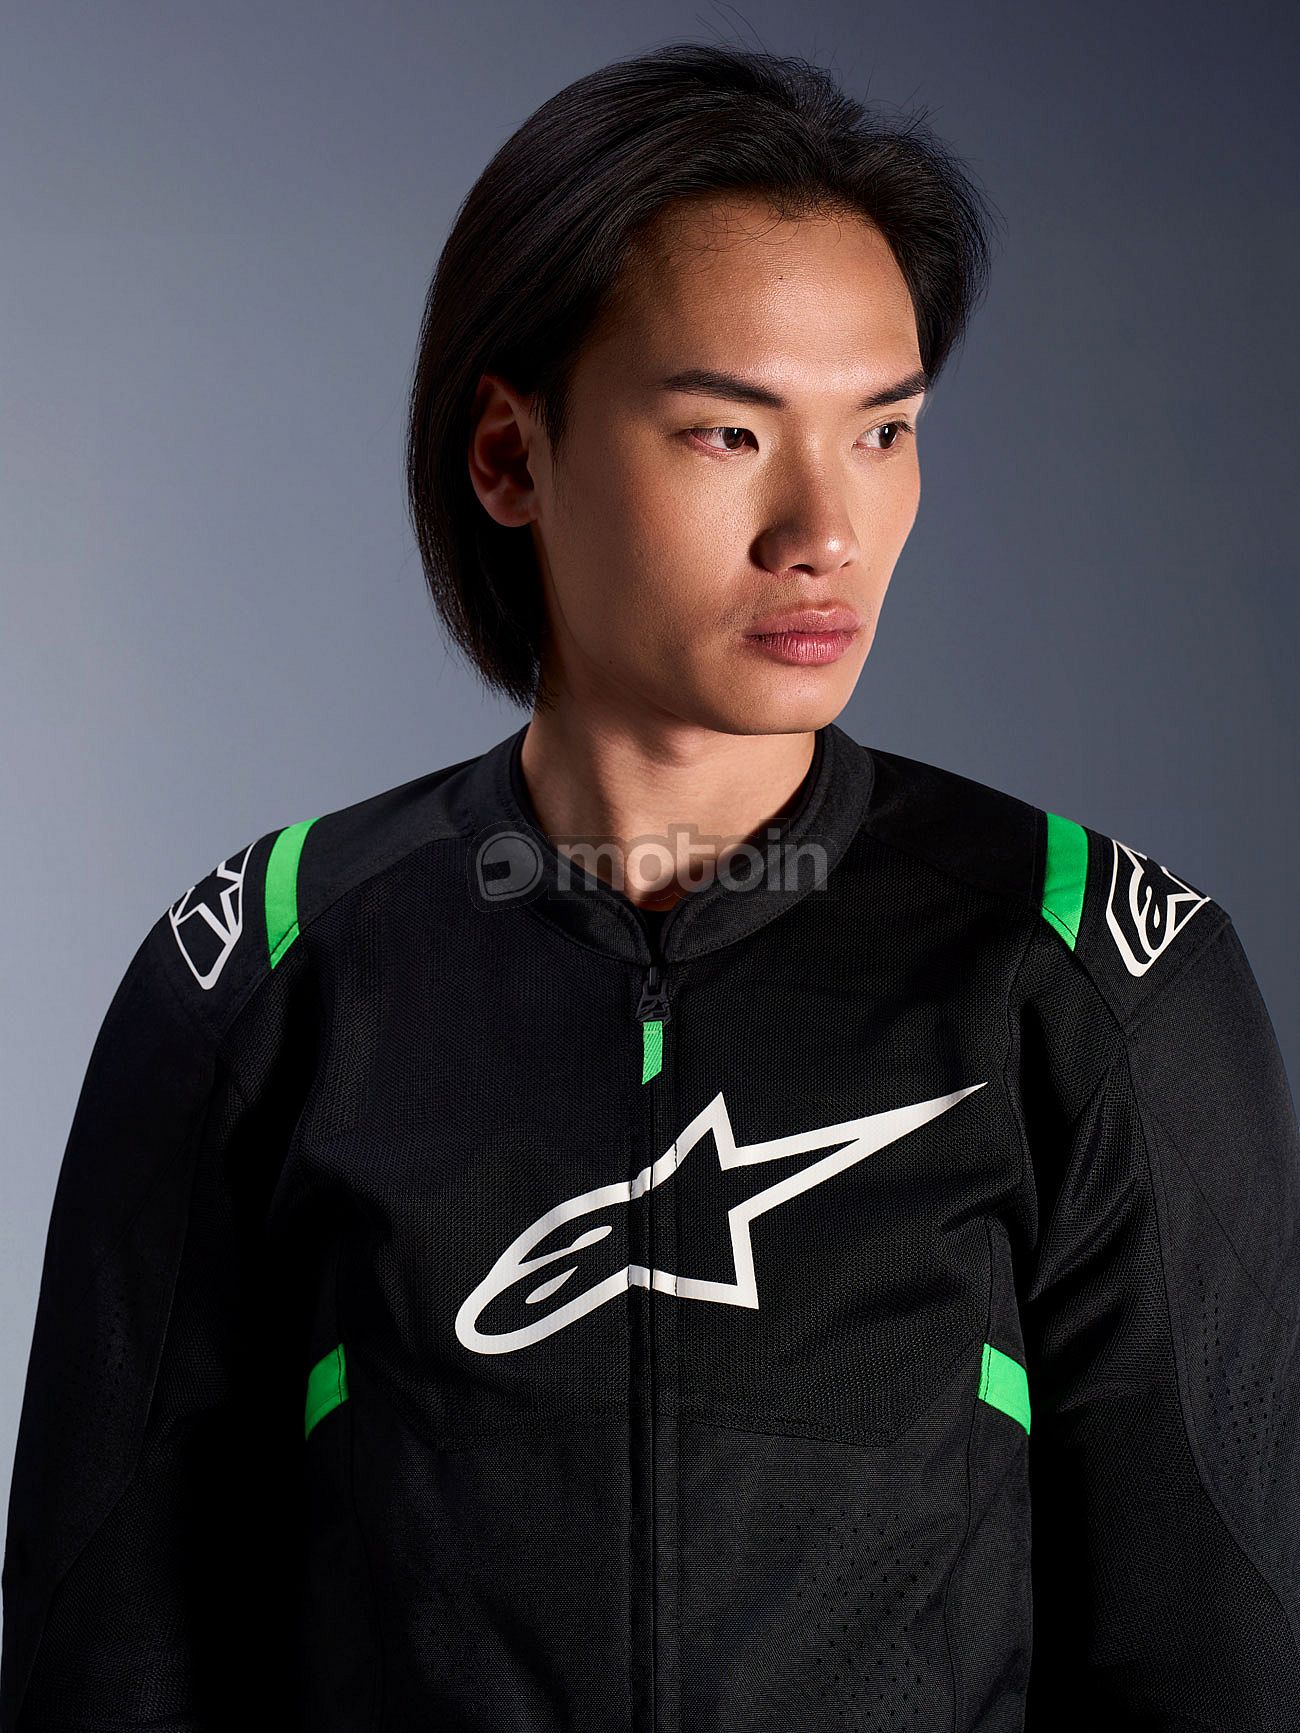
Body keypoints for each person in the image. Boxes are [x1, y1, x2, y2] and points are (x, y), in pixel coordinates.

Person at [3, 38, 1299, 1733]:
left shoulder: (1087, 972)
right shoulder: (264, 972)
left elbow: (1223, 1663)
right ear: (508, 457)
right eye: (726, 431)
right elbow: (104, 1660)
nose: (825, 528)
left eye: (885, 428)